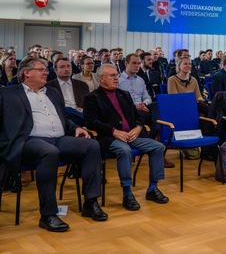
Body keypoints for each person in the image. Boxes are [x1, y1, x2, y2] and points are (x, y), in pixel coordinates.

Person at [0, 56, 107, 232]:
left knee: (91, 145)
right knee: (49, 152)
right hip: (28, 141)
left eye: (45, 69)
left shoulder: (52, 92)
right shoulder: (8, 93)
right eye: (41, 69)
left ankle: (91, 202)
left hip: (58, 139)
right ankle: (48, 214)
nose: (46, 72)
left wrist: (76, 128)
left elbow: (63, 118)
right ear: (27, 73)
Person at [84, 65, 169, 211]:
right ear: (101, 78)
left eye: (116, 75)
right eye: (111, 76)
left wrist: (138, 128)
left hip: (132, 135)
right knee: (125, 150)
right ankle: (127, 193)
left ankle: (153, 188)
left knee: (158, 147)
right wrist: (114, 131)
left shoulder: (124, 94)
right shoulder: (92, 98)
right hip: (110, 138)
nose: (116, 78)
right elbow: (91, 122)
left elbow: (138, 117)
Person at [46, 57, 90, 125]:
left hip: (79, 115)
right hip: (61, 117)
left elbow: (88, 103)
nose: (66, 69)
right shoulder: (49, 86)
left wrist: (85, 110)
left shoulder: (82, 85)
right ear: (55, 70)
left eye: (68, 66)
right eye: (62, 67)